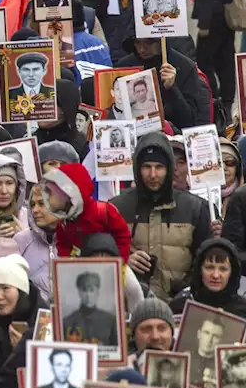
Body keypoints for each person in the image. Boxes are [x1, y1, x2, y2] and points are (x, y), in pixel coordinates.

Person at [111, 133, 213, 300]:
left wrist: (185, 291)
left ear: (169, 169)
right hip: (130, 304)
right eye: (146, 167)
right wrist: (123, 264)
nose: (153, 175)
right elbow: (101, 259)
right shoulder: (117, 208)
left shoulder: (195, 208)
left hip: (179, 305)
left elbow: (204, 261)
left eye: (159, 167)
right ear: (137, 168)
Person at [61, 271, 120, 347]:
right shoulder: (67, 322)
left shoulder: (110, 320)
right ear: (79, 292)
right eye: (84, 290)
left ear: (98, 292)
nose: (88, 295)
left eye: (92, 290)